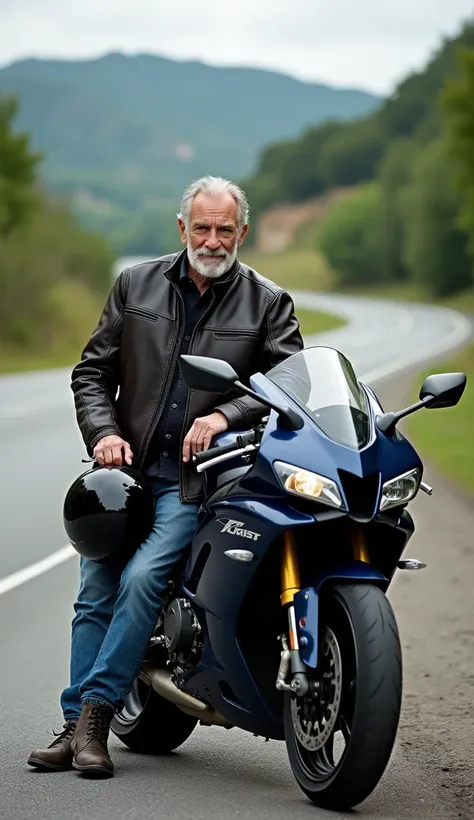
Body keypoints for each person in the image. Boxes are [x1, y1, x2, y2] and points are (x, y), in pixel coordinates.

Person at [27, 175, 304, 778]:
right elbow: (92, 372)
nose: (212, 239)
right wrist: (103, 433)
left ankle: (95, 717)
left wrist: (226, 415)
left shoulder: (268, 302)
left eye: (224, 229)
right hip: (120, 475)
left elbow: (289, 385)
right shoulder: (136, 283)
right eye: (200, 227)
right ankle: (75, 726)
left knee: (144, 578)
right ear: (182, 229)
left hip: (197, 480)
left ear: (243, 232)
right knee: (94, 589)